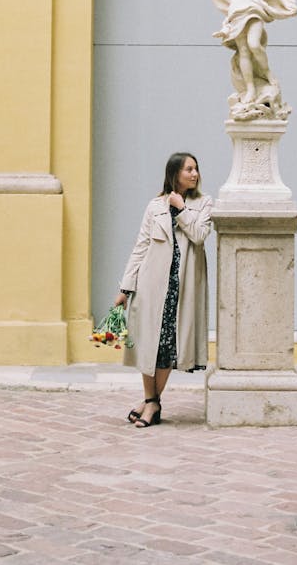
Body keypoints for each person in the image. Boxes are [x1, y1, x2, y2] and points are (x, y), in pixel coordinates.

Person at [113, 152, 212, 428]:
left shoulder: (203, 204)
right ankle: (151, 401)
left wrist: (181, 209)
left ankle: (151, 402)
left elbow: (200, 236)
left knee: (168, 346)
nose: (194, 174)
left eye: (196, 169)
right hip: (151, 286)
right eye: (188, 169)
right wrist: (125, 287)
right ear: (175, 173)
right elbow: (141, 247)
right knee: (148, 345)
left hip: (182, 288)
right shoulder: (154, 206)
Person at [204, 0, 297, 118]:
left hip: (256, 6)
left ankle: (267, 73)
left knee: (254, 44)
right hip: (238, 6)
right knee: (243, 50)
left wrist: (287, 4)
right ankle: (250, 89)